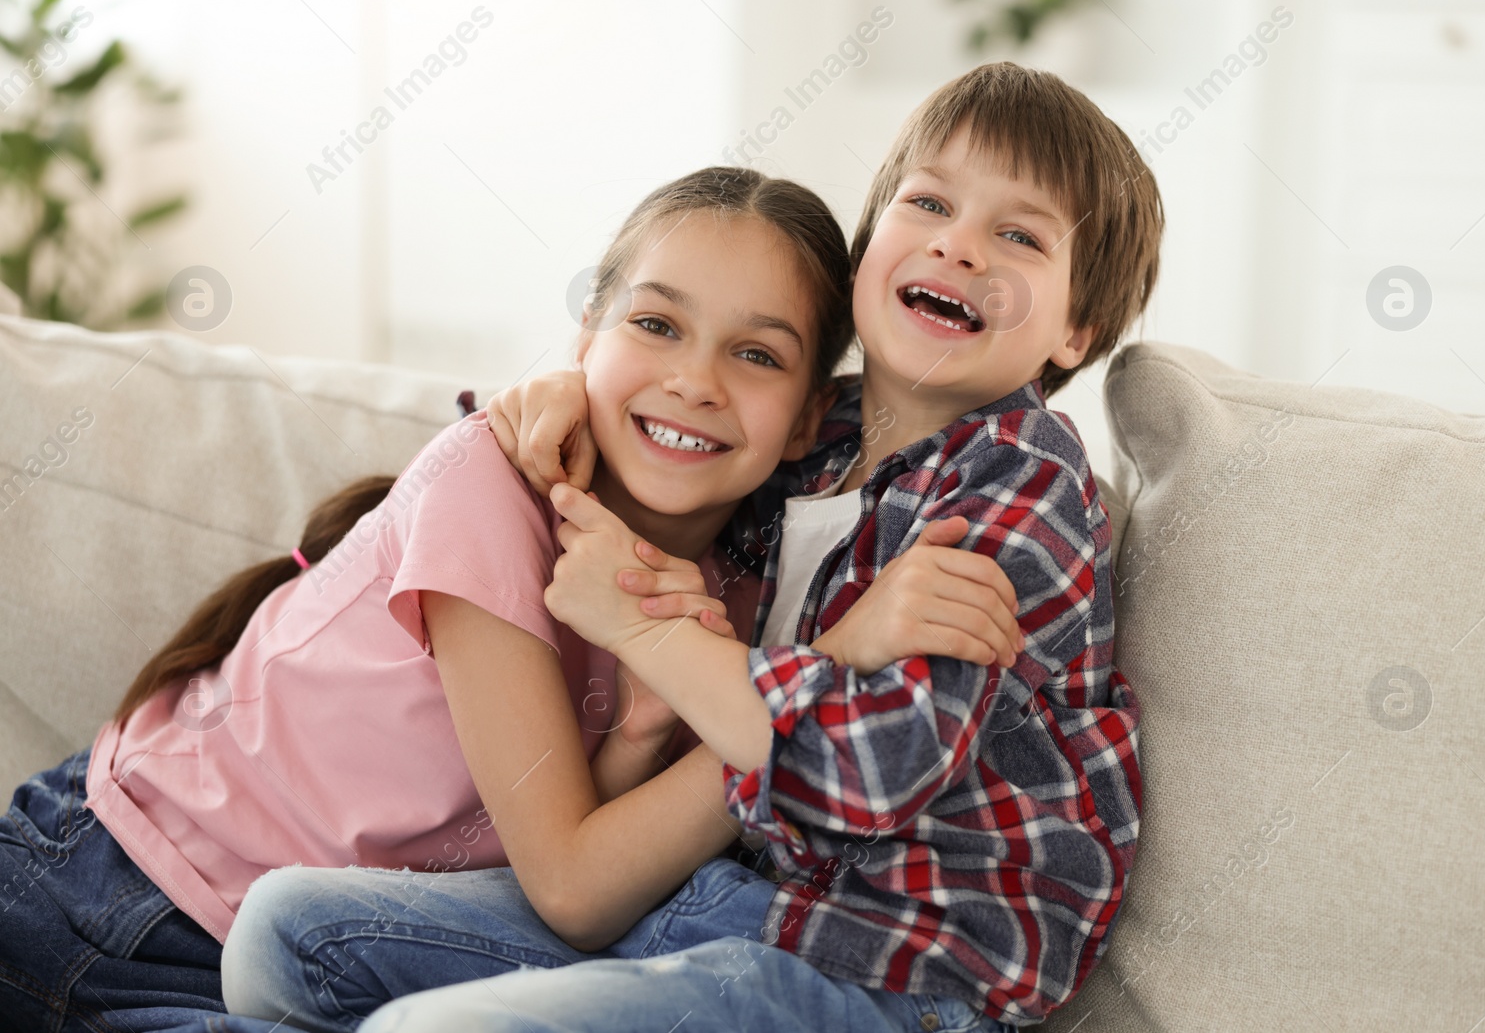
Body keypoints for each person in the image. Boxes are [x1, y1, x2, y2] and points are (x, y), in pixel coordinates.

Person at [229, 60, 1158, 1032]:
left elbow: (868, 774)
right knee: (287, 929)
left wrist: (653, 635)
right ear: (867, 251)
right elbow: (661, 474)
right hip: (730, 905)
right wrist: (562, 391)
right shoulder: (810, 439)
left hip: (889, 971)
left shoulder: (1019, 487)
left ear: (1074, 327)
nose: (959, 246)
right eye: (929, 203)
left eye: (1017, 235)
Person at [0, 166, 1019, 1033]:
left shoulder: (742, 578)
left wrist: (647, 731)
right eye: (656, 323)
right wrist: (825, 668)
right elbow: (572, 887)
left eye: (755, 354)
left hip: (308, 953)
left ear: (808, 419)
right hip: (107, 899)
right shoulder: (490, 487)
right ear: (585, 338)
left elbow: (605, 854)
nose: (694, 380)